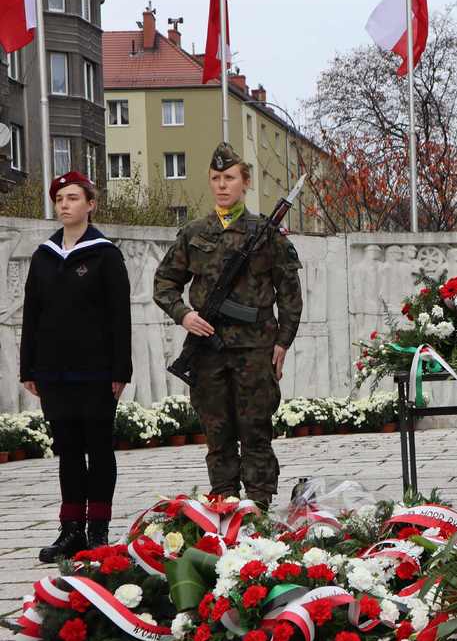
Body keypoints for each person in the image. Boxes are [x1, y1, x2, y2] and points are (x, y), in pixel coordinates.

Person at [153, 143, 303, 510]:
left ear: (245, 182)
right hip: (208, 350)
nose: (222, 185)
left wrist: (283, 341)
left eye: (230, 178)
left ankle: (258, 504)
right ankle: (223, 503)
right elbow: (164, 284)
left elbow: (289, 293)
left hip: (255, 349)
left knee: (255, 430)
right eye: (216, 178)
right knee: (217, 433)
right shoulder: (193, 233)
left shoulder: (266, 234)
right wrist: (185, 315)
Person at [19, 172, 131, 561]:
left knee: (98, 449)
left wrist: (121, 370)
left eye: (72, 198)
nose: (64, 204)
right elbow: (31, 313)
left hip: (97, 371)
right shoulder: (44, 256)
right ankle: (71, 530)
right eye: (59, 199)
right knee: (67, 450)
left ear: (90, 204)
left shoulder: (105, 254)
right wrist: (28, 368)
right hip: (53, 372)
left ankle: (98, 529)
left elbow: (119, 316)